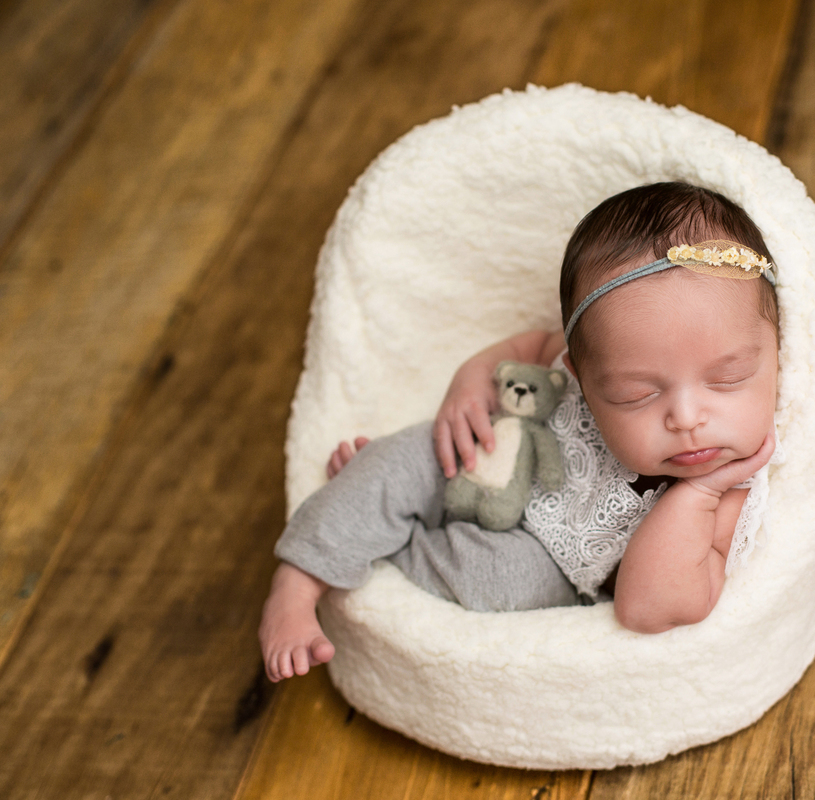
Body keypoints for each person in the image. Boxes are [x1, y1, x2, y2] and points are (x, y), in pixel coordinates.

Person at [259, 182, 780, 682]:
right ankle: (300, 577)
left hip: (545, 559)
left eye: (727, 379)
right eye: (635, 393)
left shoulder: (733, 490)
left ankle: (386, 537)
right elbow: (533, 348)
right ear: (580, 372)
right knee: (410, 456)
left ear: (776, 355)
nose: (687, 418)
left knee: (494, 583)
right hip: (500, 451)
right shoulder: (594, 352)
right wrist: (472, 380)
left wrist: (700, 493)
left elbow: (646, 608)